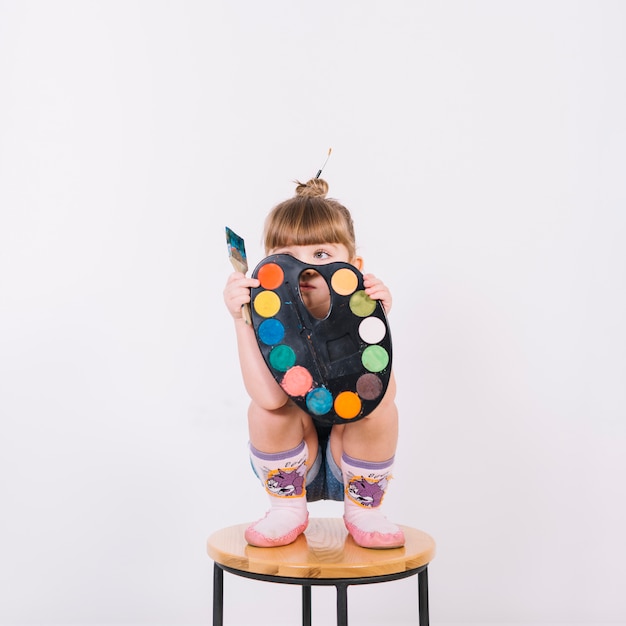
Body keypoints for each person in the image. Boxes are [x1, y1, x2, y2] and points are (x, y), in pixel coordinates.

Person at [222, 177, 404, 549]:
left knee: (383, 408)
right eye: (287, 257)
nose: (304, 271)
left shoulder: (358, 311)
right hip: (293, 468)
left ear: (354, 266)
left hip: (352, 466)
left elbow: (380, 397)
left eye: (321, 255)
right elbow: (270, 399)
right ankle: (286, 511)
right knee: (266, 410)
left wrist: (374, 322)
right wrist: (241, 320)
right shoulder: (271, 318)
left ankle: (365, 511)